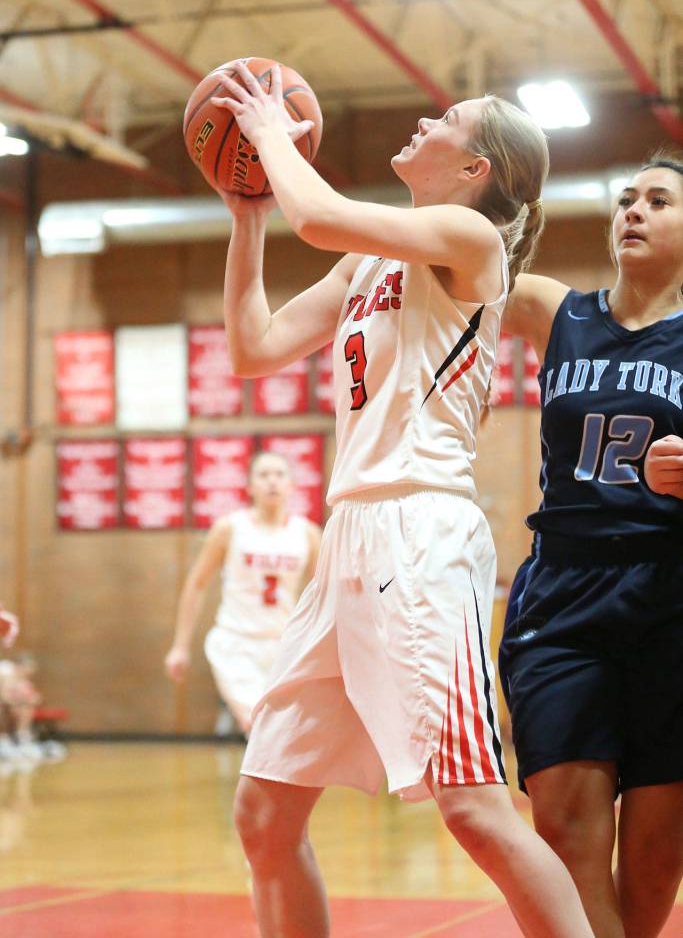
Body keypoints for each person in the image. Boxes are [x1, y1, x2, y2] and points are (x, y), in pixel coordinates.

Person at [210, 62, 594, 938]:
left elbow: (314, 213)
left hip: (416, 533)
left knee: (473, 812)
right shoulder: (367, 262)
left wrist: (270, 132)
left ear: (475, 171)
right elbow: (253, 347)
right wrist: (244, 220)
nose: (425, 120)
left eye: (448, 120)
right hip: (347, 537)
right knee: (264, 820)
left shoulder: (470, 238)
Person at [498, 154, 683, 938]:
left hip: (670, 599)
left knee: (646, 879)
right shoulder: (553, 308)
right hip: (563, 596)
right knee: (567, 841)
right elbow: (446, 268)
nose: (632, 211)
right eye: (624, 199)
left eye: (658, 200)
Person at [165, 451, 321, 736]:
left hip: (283, 647)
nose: (272, 481)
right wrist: (180, 646)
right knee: (260, 726)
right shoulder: (230, 529)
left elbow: (324, 595)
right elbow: (196, 584)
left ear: (291, 486)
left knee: (280, 737)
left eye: (279, 474)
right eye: (263, 475)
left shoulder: (307, 534)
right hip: (235, 644)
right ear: (249, 487)